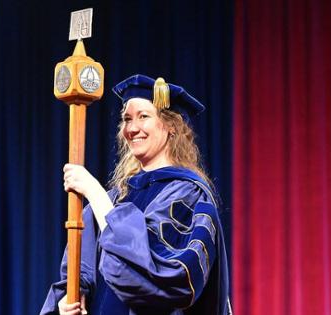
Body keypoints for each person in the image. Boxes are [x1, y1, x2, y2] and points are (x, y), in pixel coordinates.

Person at [40, 74, 231, 315]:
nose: (132, 128)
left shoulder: (188, 195)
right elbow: (80, 275)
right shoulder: (113, 199)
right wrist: (69, 301)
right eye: (126, 119)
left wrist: (94, 192)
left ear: (171, 125)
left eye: (143, 116)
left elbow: (158, 274)